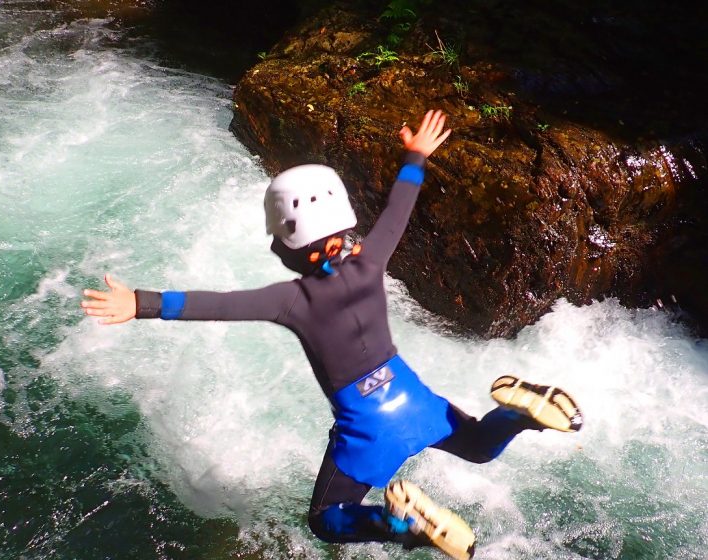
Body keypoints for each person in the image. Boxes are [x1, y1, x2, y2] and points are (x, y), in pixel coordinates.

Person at [81, 110, 583, 559]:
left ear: (287, 244)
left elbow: (213, 305)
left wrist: (140, 303)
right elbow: (396, 212)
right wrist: (415, 156)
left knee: (325, 519)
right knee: (476, 444)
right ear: (343, 224)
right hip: (411, 397)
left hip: (367, 430)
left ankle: (400, 525)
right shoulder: (371, 262)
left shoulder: (290, 300)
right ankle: (517, 414)